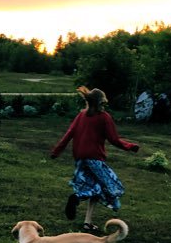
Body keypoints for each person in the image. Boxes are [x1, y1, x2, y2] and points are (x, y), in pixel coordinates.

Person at [51, 86, 139, 232]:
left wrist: (56, 151)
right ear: (100, 103)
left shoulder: (81, 116)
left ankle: (87, 222)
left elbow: (68, 134)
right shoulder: (104, 117)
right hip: (95, 159)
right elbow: (114, 139)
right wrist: (130, 146)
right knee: (110, 185)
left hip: (80, 158)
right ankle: (77, 197)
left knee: (95, 188)